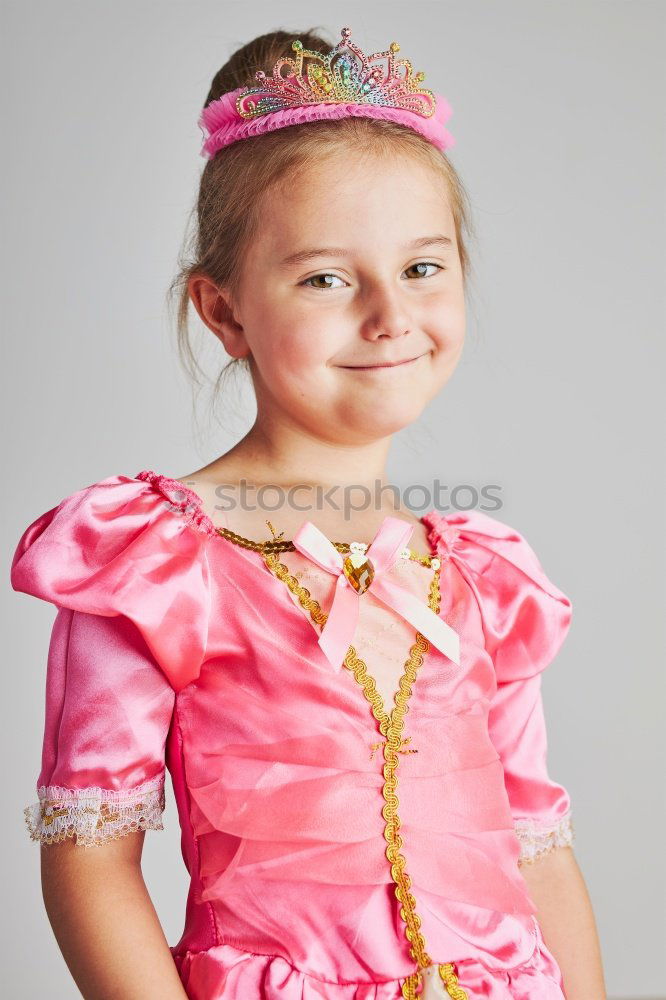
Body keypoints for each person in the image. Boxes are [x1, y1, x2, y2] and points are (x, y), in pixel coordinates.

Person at [10, 25, 606, 1000]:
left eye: (422, 267)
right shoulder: (152, 563)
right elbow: (91, 860)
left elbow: (540, 853)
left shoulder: (483, 575)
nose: (390, 315)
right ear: (226, 310)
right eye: (327, 277)